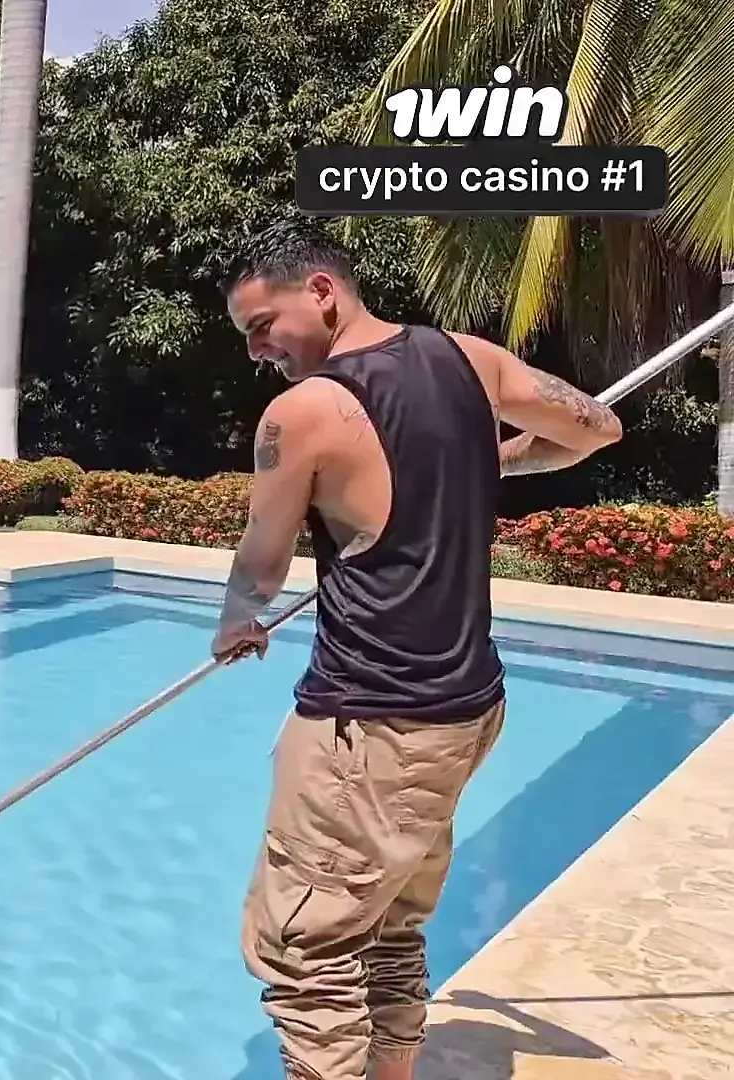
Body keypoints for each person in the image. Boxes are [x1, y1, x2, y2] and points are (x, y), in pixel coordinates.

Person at [208, 220, 622, 1080]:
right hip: (465, 711)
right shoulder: (468, 358)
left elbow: (263, 560)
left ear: (322, 291)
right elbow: (596, 430)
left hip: (372, 721)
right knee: (391, 925)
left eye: (262, 326)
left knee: (308, 951)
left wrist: (237, 619)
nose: (256, 352)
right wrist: (490, 460)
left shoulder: (303, 412)